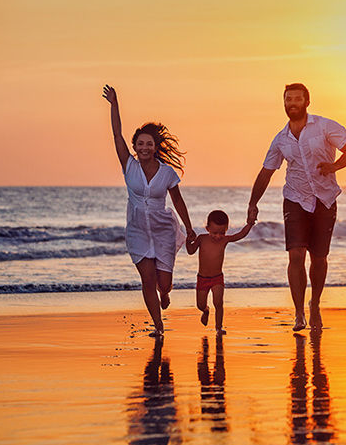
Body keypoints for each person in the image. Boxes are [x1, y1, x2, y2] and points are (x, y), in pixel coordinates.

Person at [247, 83, 346, 331]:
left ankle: (315, 304)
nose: (293, 103)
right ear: (284, 103)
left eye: (298, 99)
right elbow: (266, 172)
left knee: (319, 259)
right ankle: (299, 313)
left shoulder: (325, 126)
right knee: (295, 255)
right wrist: (253, 203)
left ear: (307, 101)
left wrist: (334, 167)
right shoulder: (280, 139)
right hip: (295, 199)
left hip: (325, 199)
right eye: (288, 99)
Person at [102, 84, 196, 337]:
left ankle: (164, 292)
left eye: (149, 144)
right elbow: (116, 135)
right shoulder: (128, 166)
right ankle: (159, 325)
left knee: (162, 283)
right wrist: (114, 104)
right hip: (138, 230)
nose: (144, 147)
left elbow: (178, 201)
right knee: (146, 279)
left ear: (155, 147)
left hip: (163, 229)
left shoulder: (167, 173)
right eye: (140, 143)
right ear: (135, 146)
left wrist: (189, 229)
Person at [186, 210, 254, 335]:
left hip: (217, 278)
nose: (218, 236)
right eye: (214, 232)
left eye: (222, 233)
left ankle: (219, 327)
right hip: (202, 278)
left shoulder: (225, 240)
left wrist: (249, 224)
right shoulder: (201, 239)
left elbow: (240, 235)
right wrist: (188, 240)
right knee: (200, 305)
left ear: (227, 229)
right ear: (207, 228)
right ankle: (206, 311)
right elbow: (190, 251)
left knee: (218, 303)